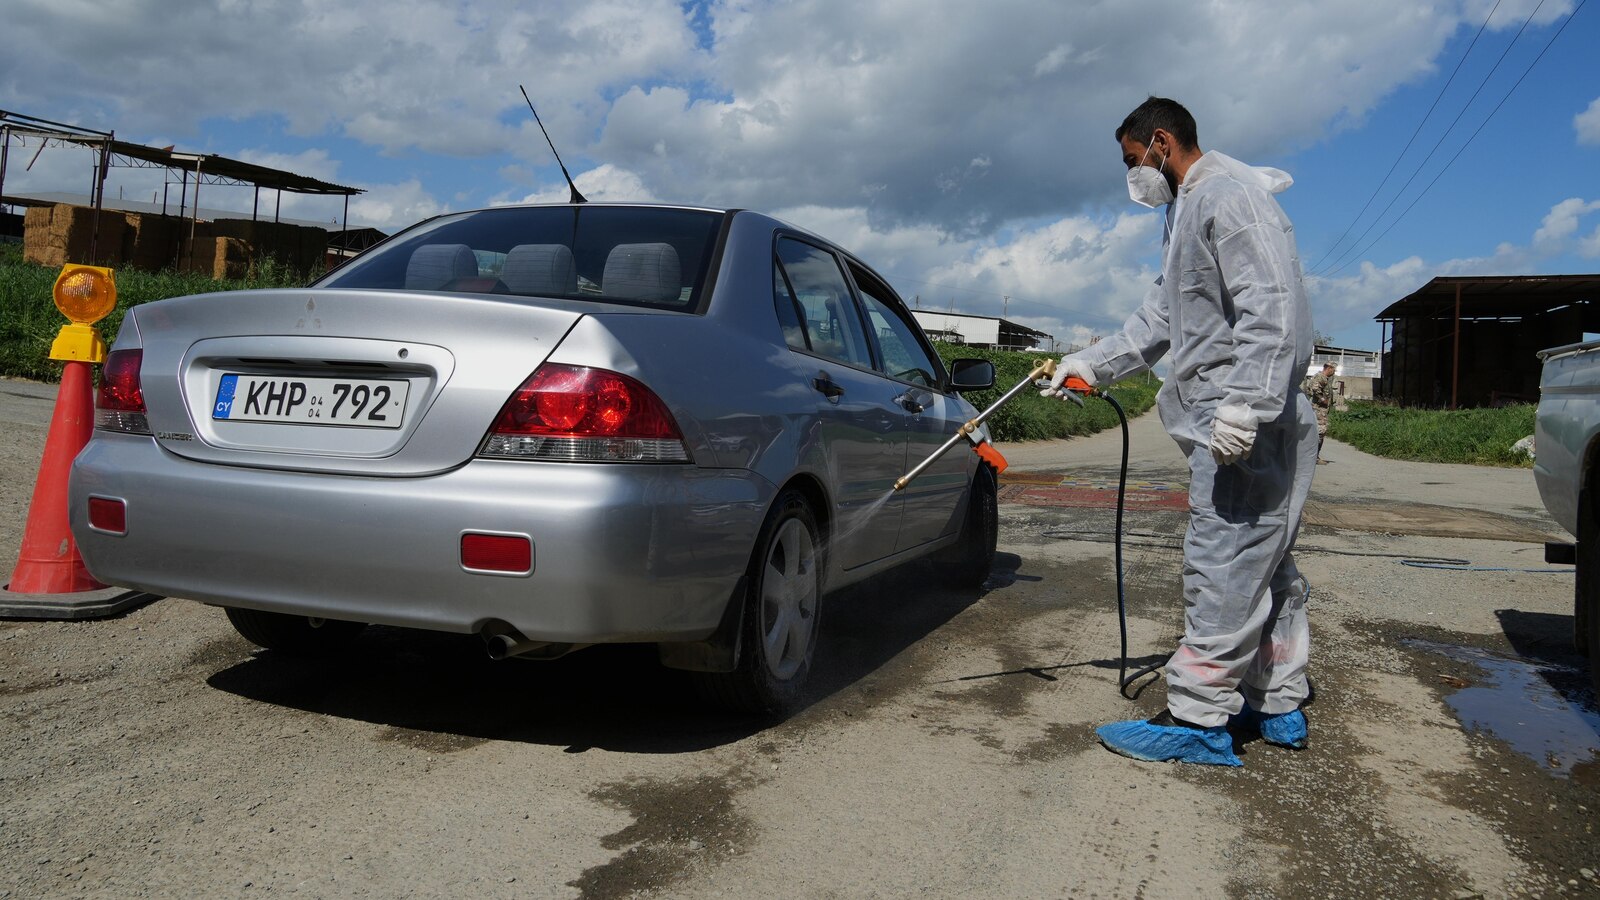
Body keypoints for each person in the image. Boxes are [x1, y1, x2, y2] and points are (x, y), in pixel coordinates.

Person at [1043, 96, 1318, 766]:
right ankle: (1276, 697)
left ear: (1161, 142)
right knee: (1267, 568)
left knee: (1222, 567)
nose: (1133, 175)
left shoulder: (1228, 198)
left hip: (1242, 426)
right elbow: (1159, 321)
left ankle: (1198, 719)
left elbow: (1274, 304)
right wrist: (1088, 365)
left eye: (1133, 160)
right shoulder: (1185, 212)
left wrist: (1245, 404)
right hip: (1241, 422)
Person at [1303, 362, 1337, 464]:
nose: (1334, 372)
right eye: (1333, 369)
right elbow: (1314, 388)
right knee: (1320, 432)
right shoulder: (1320, 377)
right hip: (1319, 410)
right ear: (1329, 368)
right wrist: (1323, 400)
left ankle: (1313, 456)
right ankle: (1314, 457)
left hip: (1321, 410)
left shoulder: (1324, 378)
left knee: (1319, 432)